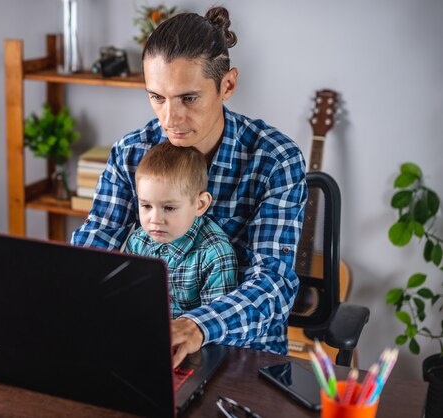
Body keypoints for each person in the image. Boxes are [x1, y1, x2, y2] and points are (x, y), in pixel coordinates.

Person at [71, 6, 307, 368]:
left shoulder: (275, 159)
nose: (170, 119)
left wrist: (197, 326)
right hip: (147, 342)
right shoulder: (131, 152)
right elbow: (97, 243)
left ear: (227, 85)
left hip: (244, 354)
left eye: (188, 98)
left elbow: (273, 284)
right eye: (157, 98)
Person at [124, 140, 238, 319]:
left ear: (200, 205)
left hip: (195, 342)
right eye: (146, 205)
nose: (155, 219)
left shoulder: (215, 254)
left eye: (169, 208)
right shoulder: (137, 242)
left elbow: (216, 319)